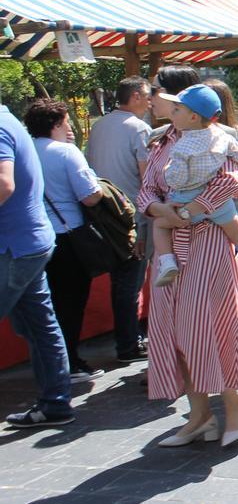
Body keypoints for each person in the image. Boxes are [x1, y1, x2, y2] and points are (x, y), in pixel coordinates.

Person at [139, 65, 238, 448]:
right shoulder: (160, 141)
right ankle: (198, 414)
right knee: (172, 326)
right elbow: (146, 189)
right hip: (172, 247)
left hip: (209, 242)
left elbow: (232, 183)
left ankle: (235, 404)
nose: (153, 99)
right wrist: (158, 212)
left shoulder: (221, 137)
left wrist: (187, 212)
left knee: (214, 323)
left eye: (159, 93)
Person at [0, 100, 74, 428]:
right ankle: (55, 403)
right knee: (40, 326)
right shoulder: (7, 120)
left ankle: (56, 401)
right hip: (29, 241)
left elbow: (4, 184)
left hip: (14, 246)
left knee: (39, 326)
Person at [151, 84, 238, 287]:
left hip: (185, 199)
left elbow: (176, 179)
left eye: (177, 110)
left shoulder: (182, 146)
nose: (172, 113)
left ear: (193, 117)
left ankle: (167, 261)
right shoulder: (222, 136)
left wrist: (169, 170)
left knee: (159, 225)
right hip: (220, 204)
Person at [27, 99, 106, 382]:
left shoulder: (22, 151)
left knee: (44, 306)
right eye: (66, 121)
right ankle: (69, 362)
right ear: (57, 124)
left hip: (33, 236)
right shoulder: (66, 152)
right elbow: (90, 195)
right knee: (70, 303)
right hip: (68, 236)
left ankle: (49, 364)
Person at [85, 75, 151, 363]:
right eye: (147, 95)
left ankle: (128, 340)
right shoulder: (138, 128)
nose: (150, 101)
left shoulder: (99, 126)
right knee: (129, 283)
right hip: (132, 215)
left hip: (103, 215)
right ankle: (128, 344)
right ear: (135, 96)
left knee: (120, 282)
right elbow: (147, 176)